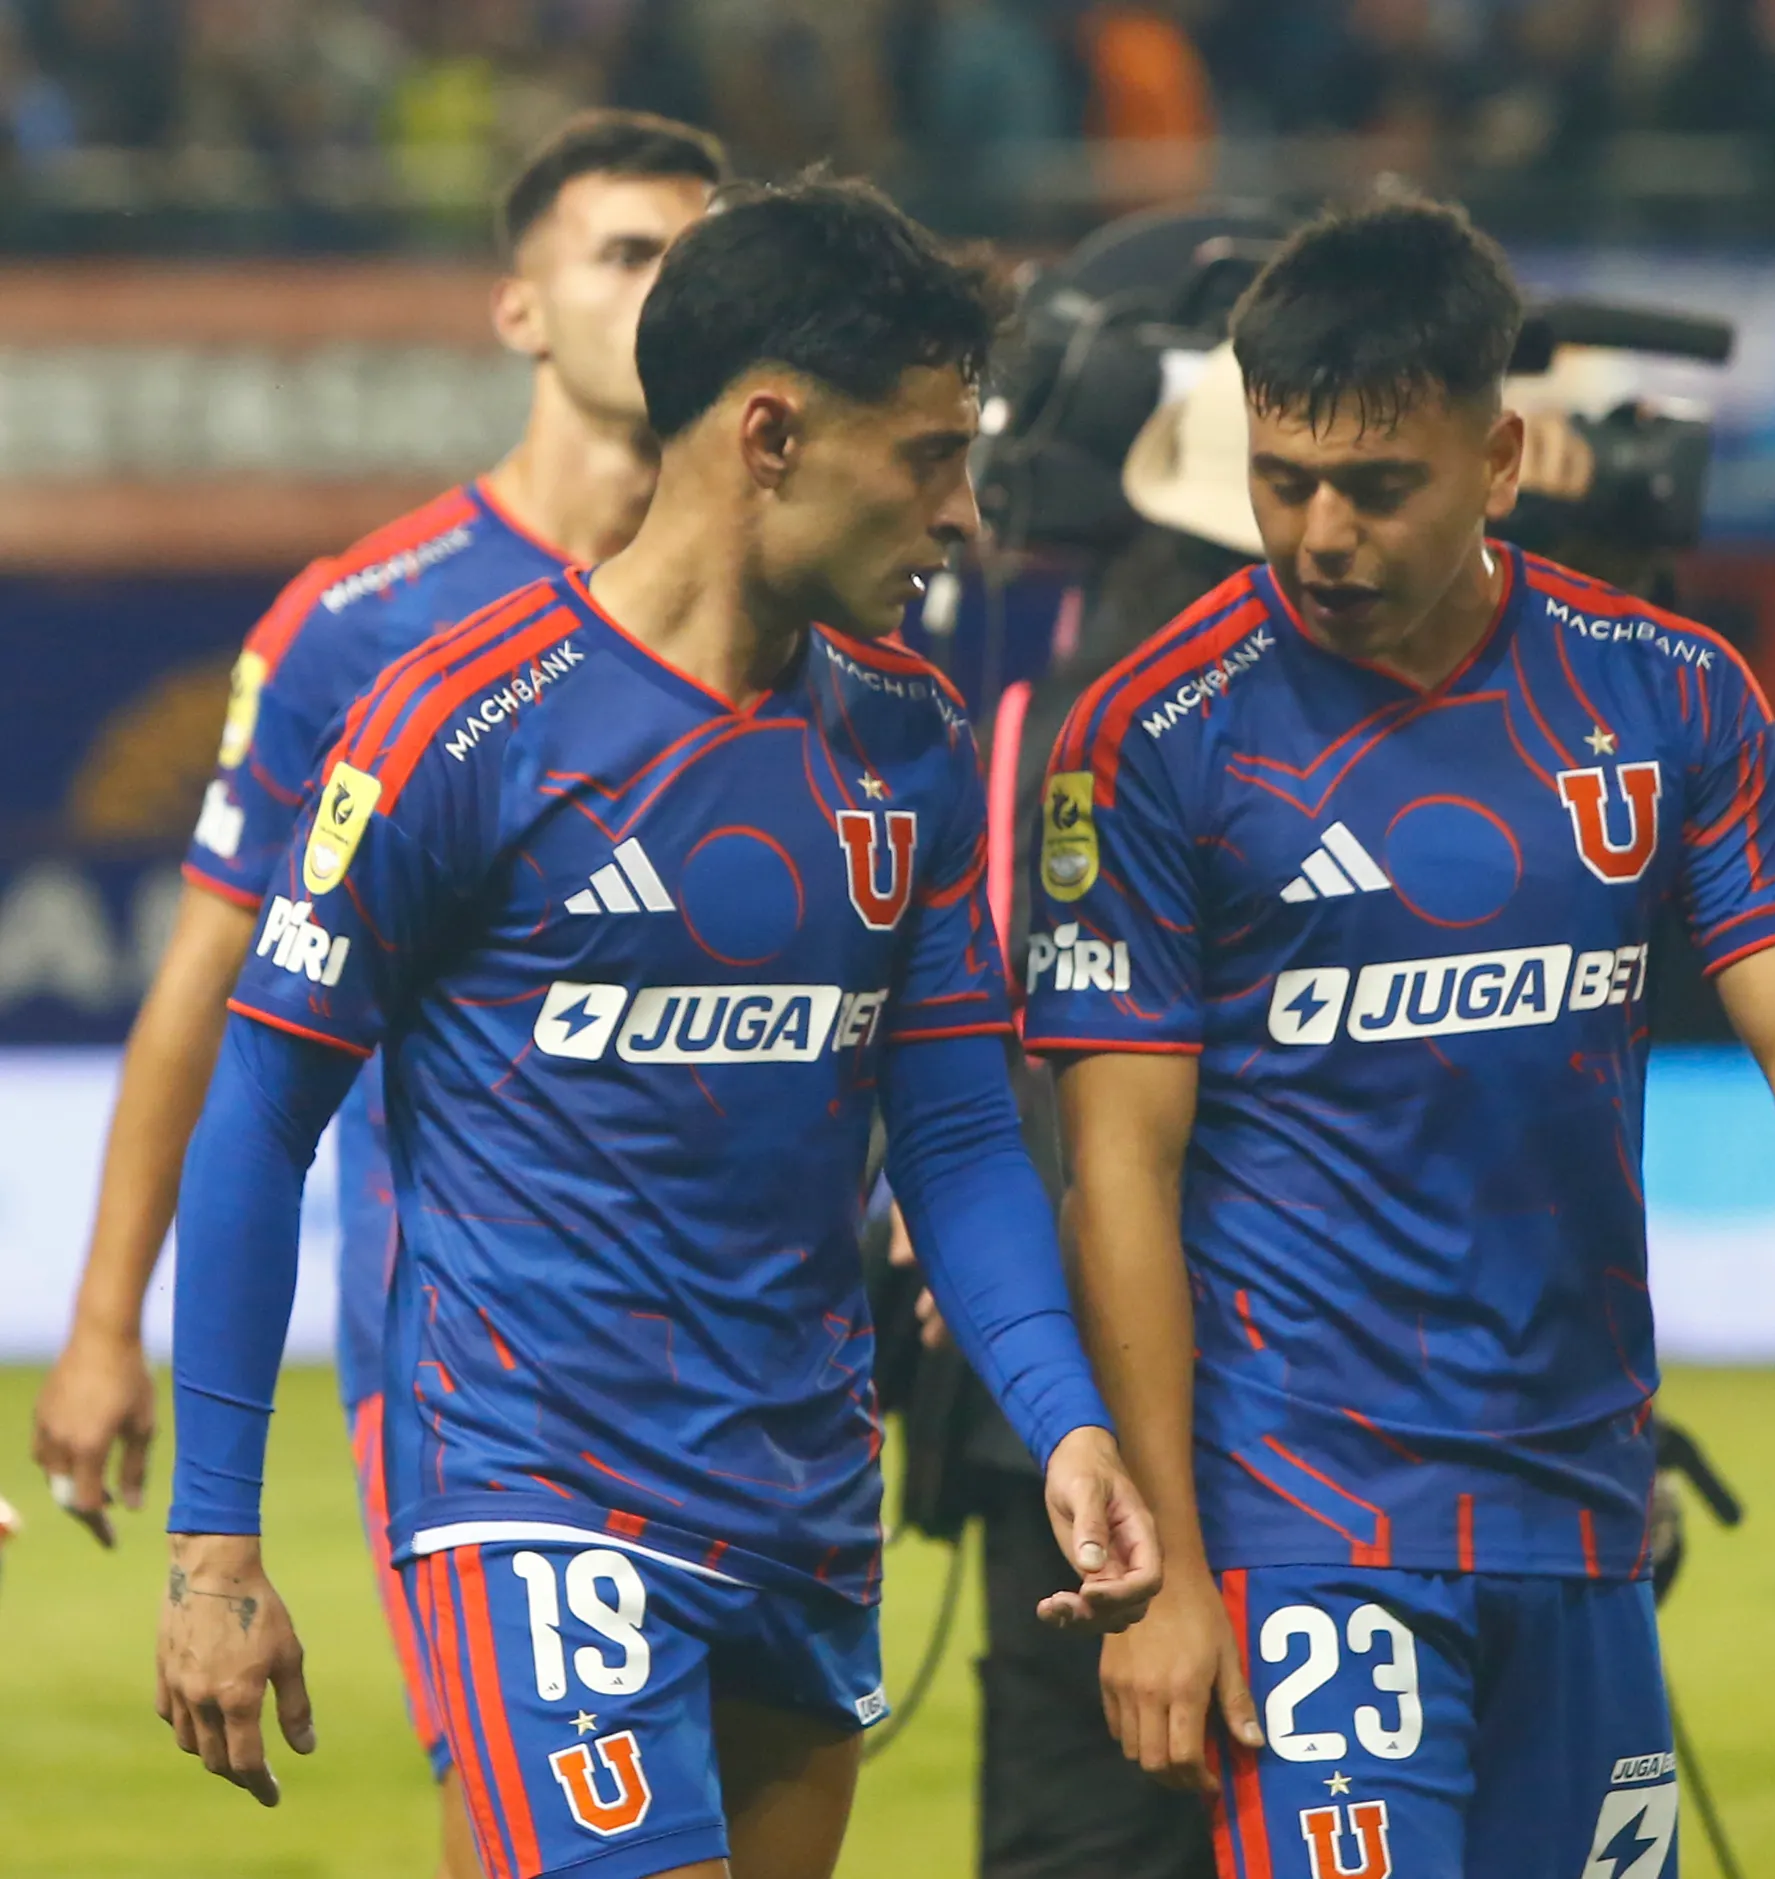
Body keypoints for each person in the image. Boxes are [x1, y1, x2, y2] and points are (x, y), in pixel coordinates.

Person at [152, 174, 1162, 1879]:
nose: (963, 510)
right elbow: (257, 1119)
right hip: (533, 1491)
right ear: (769, 434)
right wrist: (213, 1548)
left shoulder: (906, 737)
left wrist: (1064, 1414)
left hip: (802, 1500)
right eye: (926, 454)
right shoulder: (458, 730)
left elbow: (963, 1131)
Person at [1024, 198, 1775, 1878]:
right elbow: (1118, 1172)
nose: (1318, 532)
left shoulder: (1670, 695)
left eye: (1376, 486)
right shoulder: (1150, 736)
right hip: (1301, 1513)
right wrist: (1167, 1572)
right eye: (1282, 476)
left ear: (1501, 458)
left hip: (1576, 1500)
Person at [32, 106, 724, 1878]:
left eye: (697, 258)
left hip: (753, 1353)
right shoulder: (364, 622)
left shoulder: (789, 617)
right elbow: (208, 993)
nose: (666, 295)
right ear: (518, 310)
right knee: (556, 1805)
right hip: (471, 1352)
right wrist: (110, 1320)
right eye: (624, 255)